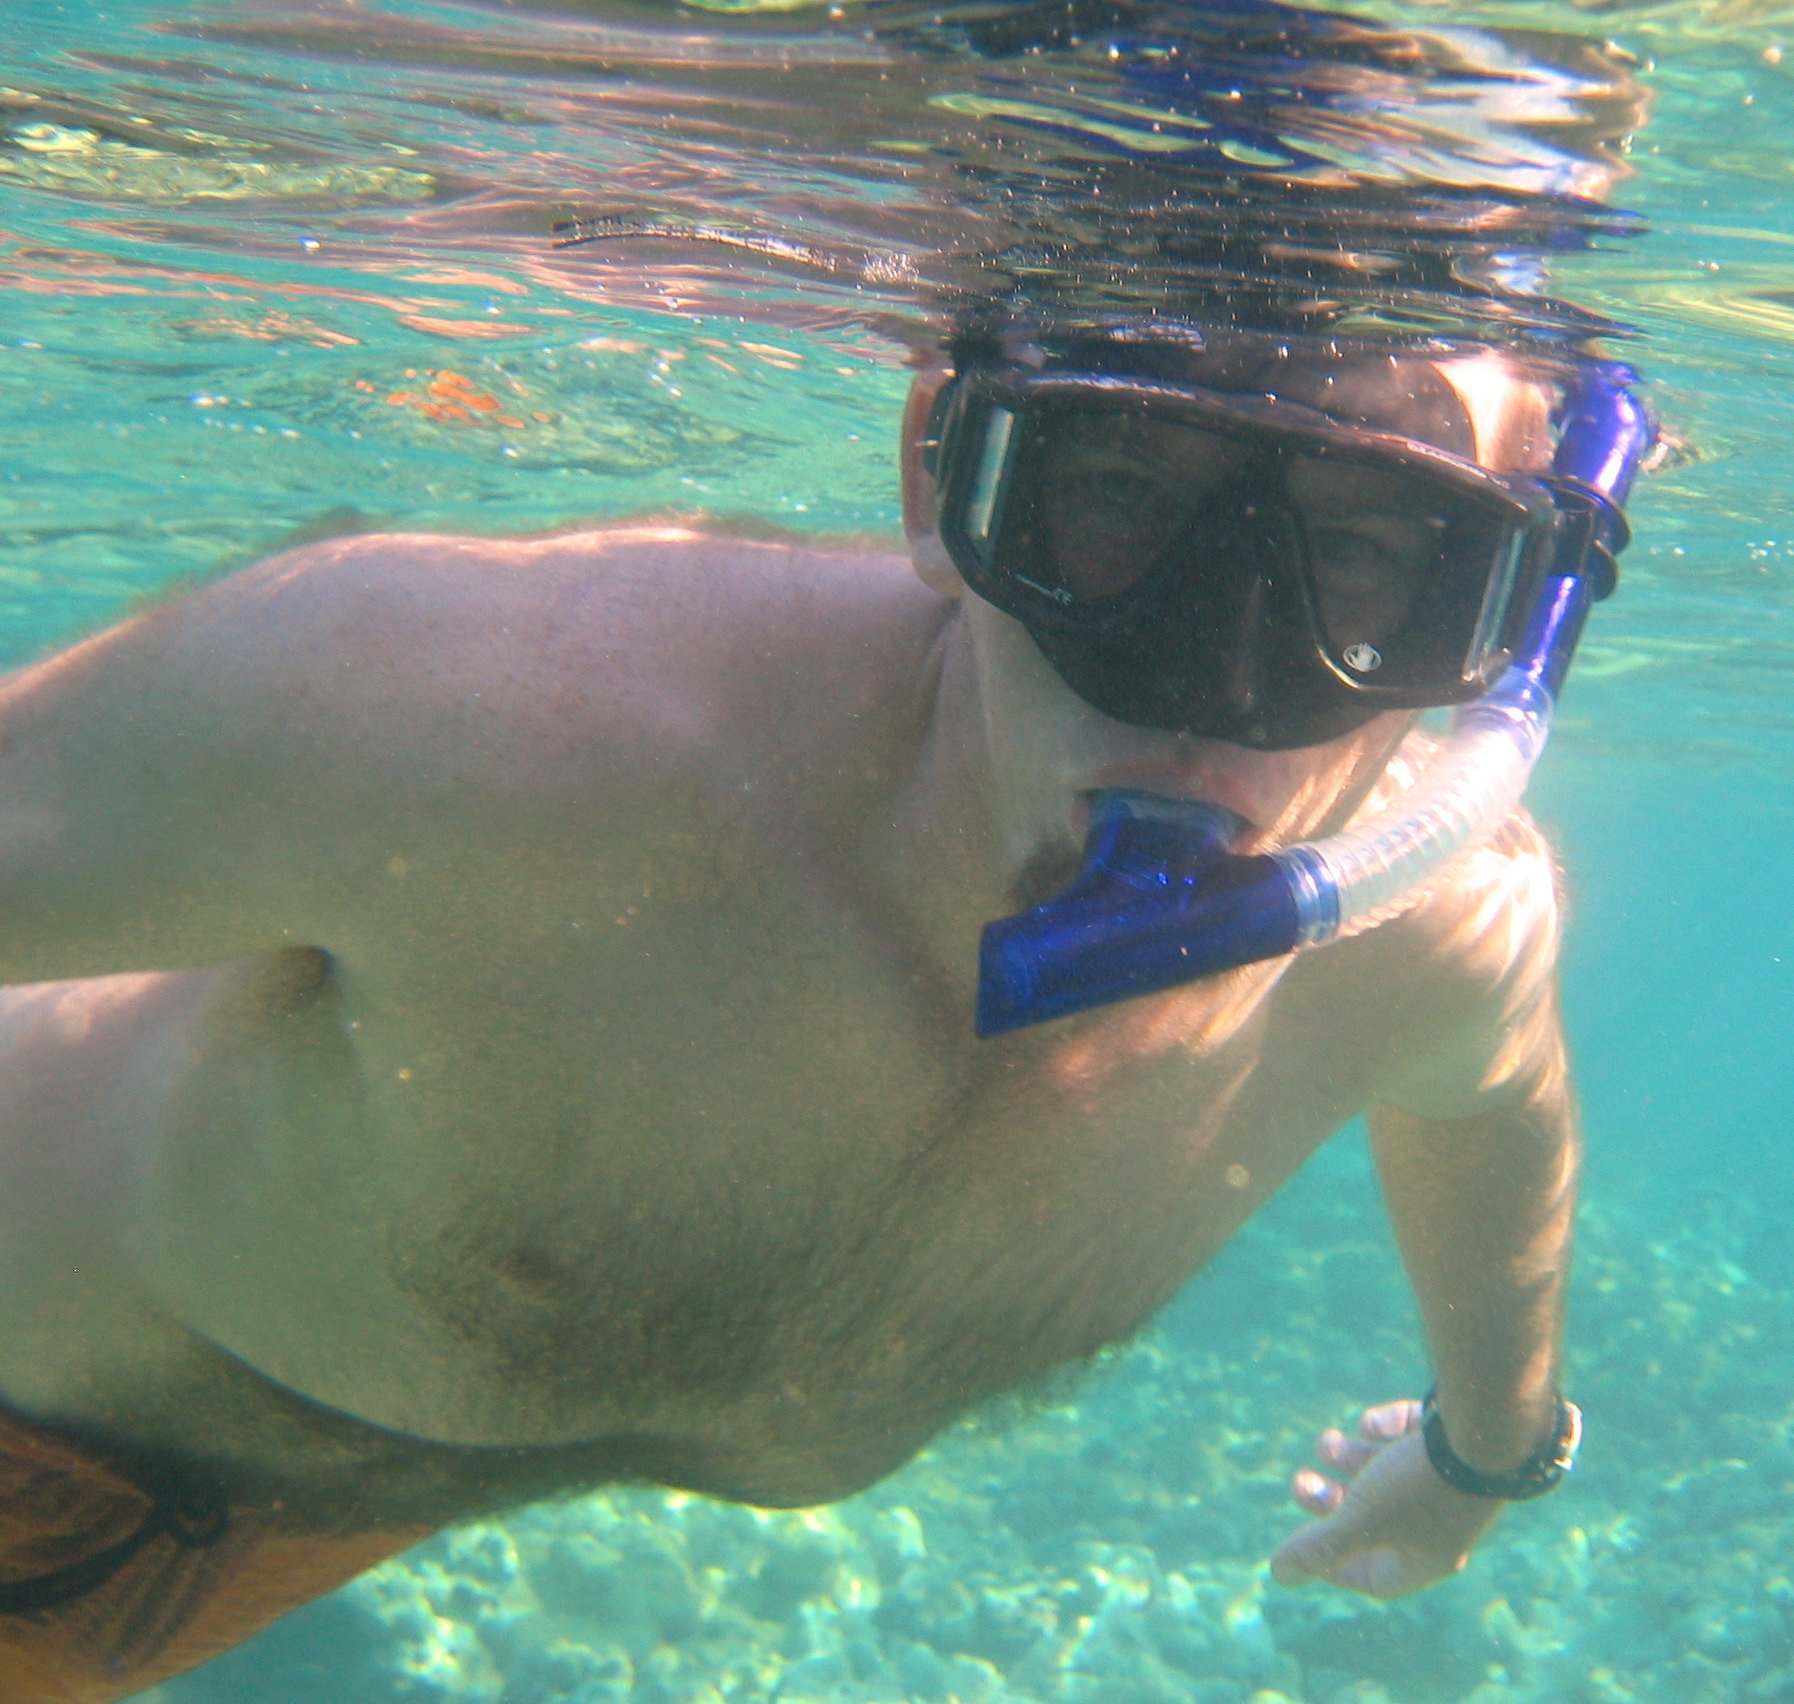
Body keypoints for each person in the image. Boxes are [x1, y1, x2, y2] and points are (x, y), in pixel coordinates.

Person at [0, 313, 1625, 1701]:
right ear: (941, 477)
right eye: (1122, 497)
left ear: (1504, 621)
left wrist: (1488, 1451)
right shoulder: (489, 728)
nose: (1217, 679)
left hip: (247, 1553)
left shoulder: (1427, 933)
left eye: (1373, 552)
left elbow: (1495, 1107)